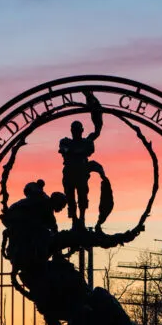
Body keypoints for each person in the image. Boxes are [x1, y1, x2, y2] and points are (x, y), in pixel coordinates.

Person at [58, 91, 103, 228]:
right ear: (71, 130)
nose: (76, 132)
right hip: (70, 172)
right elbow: (66, 149)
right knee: (70, 198)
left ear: (81, 130)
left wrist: (93, 104)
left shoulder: (86, 142)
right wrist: (78, 152)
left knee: (82, 197)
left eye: (78, 129)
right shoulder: (65, 141)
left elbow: (97, 131)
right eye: (74, 129)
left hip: (81, 173)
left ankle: (81, 219)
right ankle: (74, 220)